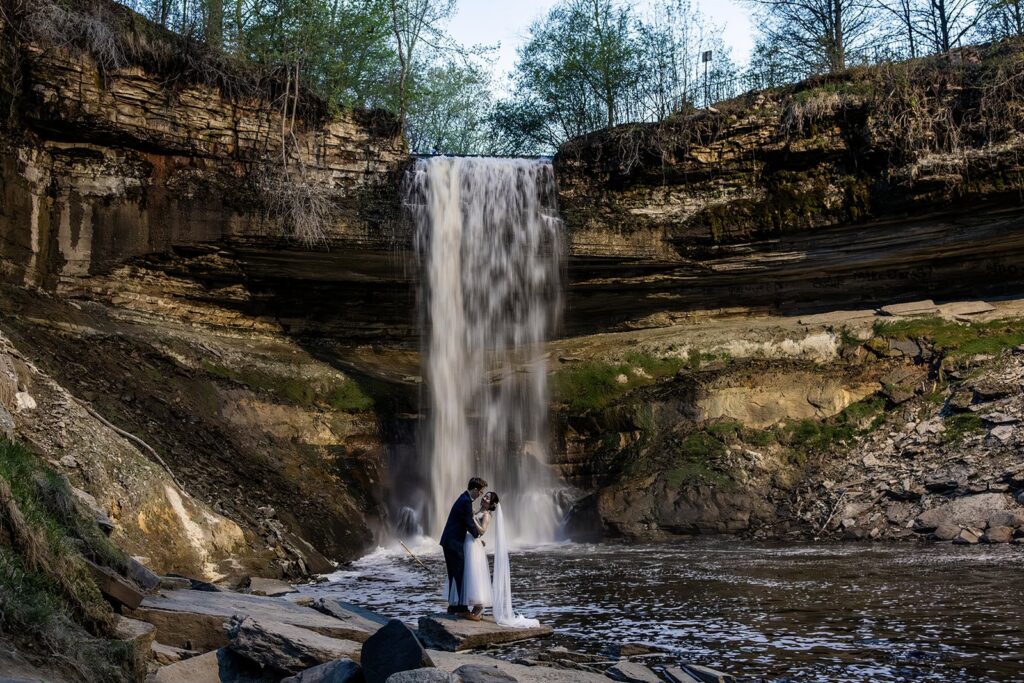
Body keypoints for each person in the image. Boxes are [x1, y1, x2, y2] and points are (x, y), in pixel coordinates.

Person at [439, 477, 486, 616]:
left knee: (453, 574)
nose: (481, 495)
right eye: (481, 492)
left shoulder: (463, 498)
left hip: (449, 541)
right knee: (459, 574)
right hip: (453, 542)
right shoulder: (466, 502)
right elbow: (468, 523)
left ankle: (453, 606)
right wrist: (477, 537)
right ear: (475, 490)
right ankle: (462, 608)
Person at [462, 492, 498, 620]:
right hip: (469, 542)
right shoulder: (477, 511)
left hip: (473, 546)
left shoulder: (487, 515)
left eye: (488, 498)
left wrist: (472, 518)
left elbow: (482, 531)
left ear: (491, 504)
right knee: (468, 573)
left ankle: (478, 607)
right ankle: (471, 607)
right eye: (485, 496)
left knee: (474, 573)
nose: (484, 498)